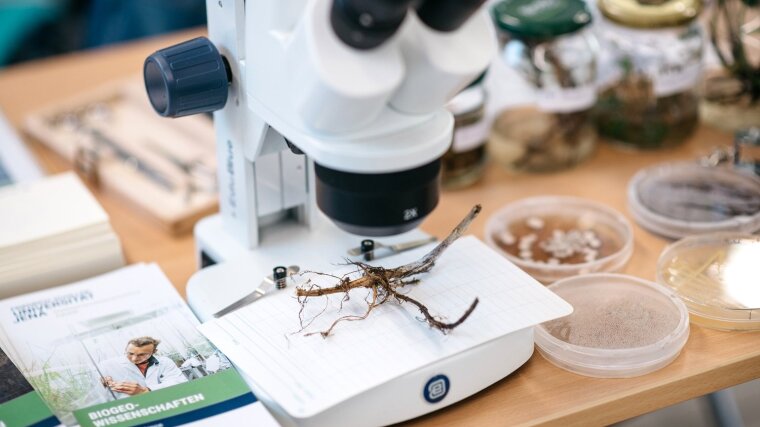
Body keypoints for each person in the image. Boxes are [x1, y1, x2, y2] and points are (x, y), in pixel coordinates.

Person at [99, 336, 187, 399]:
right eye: (130, 353)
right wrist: (101, 384)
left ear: (154, 352)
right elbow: (98, 394)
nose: (134, 358)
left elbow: (179, 383)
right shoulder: (107, 365)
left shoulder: (164, 362)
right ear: (126, 349)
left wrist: (146, 390)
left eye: (142, 355)